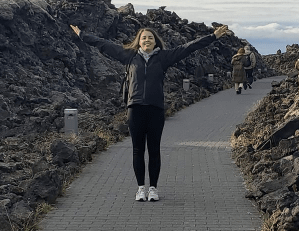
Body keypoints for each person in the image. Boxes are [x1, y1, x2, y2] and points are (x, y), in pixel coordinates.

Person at [70, 22, 231, 201]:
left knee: (154, 150)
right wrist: (83, 36)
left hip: (155, 109)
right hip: (135, 108)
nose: (147, 40)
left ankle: (153, 188)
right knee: (137, 150)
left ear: (155, 42)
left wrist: (213, 36)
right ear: (138, 41)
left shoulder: (164, 57)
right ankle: (140, 188)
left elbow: (188, 48)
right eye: (144, 37)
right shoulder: (129, 56)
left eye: (150, 38)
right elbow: (104, 45)